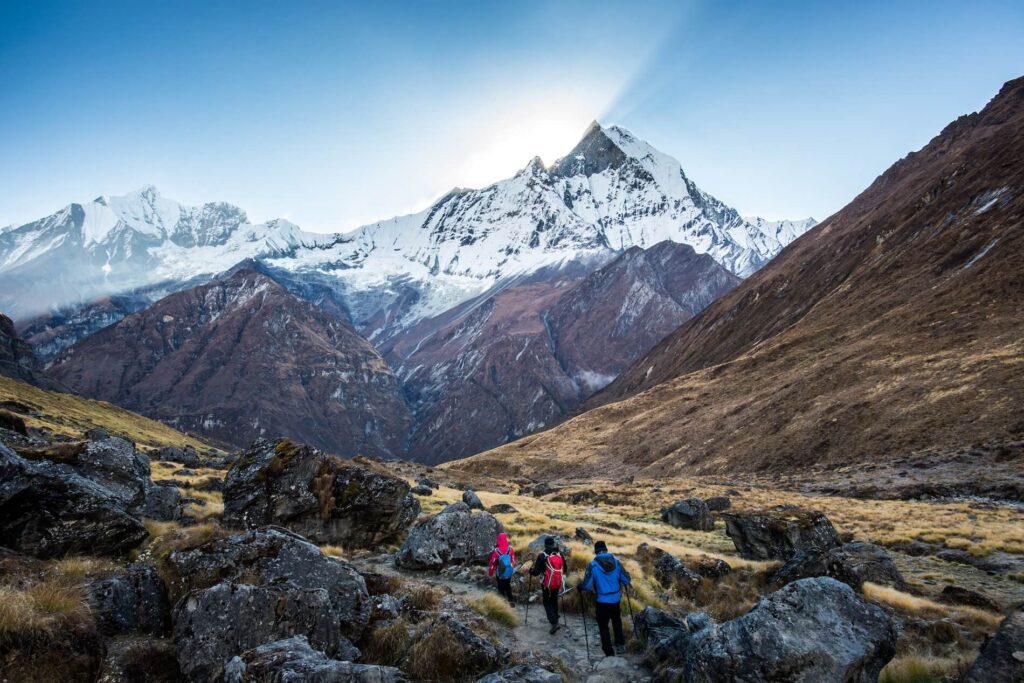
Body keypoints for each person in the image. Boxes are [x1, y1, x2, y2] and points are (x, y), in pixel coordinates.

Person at [577, 540, 631, 656]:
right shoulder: (617, 562)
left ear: (596, 551)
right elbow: (626, 580)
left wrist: (580, 586)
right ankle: (620, 645)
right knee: (617, 621)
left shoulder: (593, 565)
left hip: (601, 601)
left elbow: (587, 585)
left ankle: (608, 651)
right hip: (615, 599)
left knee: (603, 626)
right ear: (606, 549)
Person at [529, 536, 566, 634]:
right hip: (557, 582)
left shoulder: (542, 555)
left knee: (546, 602)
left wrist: (531, 571)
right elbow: (564, 568)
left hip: (546, 583)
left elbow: (536, 572)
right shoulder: (559, 554)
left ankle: (554, 622)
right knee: (554, 599)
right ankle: (556, 618)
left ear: (544, 545)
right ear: (553, 544)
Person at [487, 532, 516, 605]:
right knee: (508, 585)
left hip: (499, 573)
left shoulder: (496, 551)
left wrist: (490, 572)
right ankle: (511, 600)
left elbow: (492, 562)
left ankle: (502, 603)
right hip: (509, 572)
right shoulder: (511, 549)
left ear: (498, 540)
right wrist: (511, 568)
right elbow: (513, 561)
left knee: (500, 586)